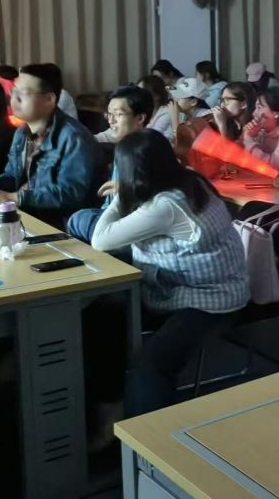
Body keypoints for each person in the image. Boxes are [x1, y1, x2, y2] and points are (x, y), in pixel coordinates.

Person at [90, 130, 248, 416]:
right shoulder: (189, 179)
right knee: (102, 315)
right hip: (198, 284)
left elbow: (100, 240)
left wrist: (121, 194)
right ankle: (111, 406)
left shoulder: (167, 205)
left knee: (152, 363)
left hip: (211, 299)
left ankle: (145, 435)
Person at [0, 63, 105, 227]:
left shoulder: (74, 137)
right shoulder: (22, 133)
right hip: (29, 218)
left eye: (24, 93)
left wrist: (15, 197)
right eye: (14, 90)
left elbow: (70, 194)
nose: (14, 98)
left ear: (49, 100)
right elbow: (12, 177)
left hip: (63, 226)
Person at [70, 86, 154, 243]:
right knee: (81, 217)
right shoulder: (125, 144)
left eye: (118, 114)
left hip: (136, 228)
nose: (111, 120)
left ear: (140, 118)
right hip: (113, 216)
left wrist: (128, 190)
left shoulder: (150, 149)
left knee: (79, 220)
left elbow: (152, 205)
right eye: (109, 114)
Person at [137, 75, 175, 141]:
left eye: (141, 92)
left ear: (157, 96)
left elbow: (153, 135)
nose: (137, 95)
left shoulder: (166, 112)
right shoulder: (141, 110)